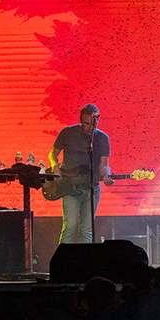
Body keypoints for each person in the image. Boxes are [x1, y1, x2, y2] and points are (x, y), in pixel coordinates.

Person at [48, 103, 113, 244]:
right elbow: (53, 154)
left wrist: (106, 176)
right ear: (80, 120)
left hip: (92, 189)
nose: (89, 128)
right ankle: (64, 257)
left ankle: (85, 258)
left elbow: (104, 165)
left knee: (86, 230)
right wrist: (55, 166)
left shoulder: (102, 138)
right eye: (86, 124)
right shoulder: (68, 133)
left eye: (92, 124)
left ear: (98, 120)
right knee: (70, 227)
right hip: (70, 188)